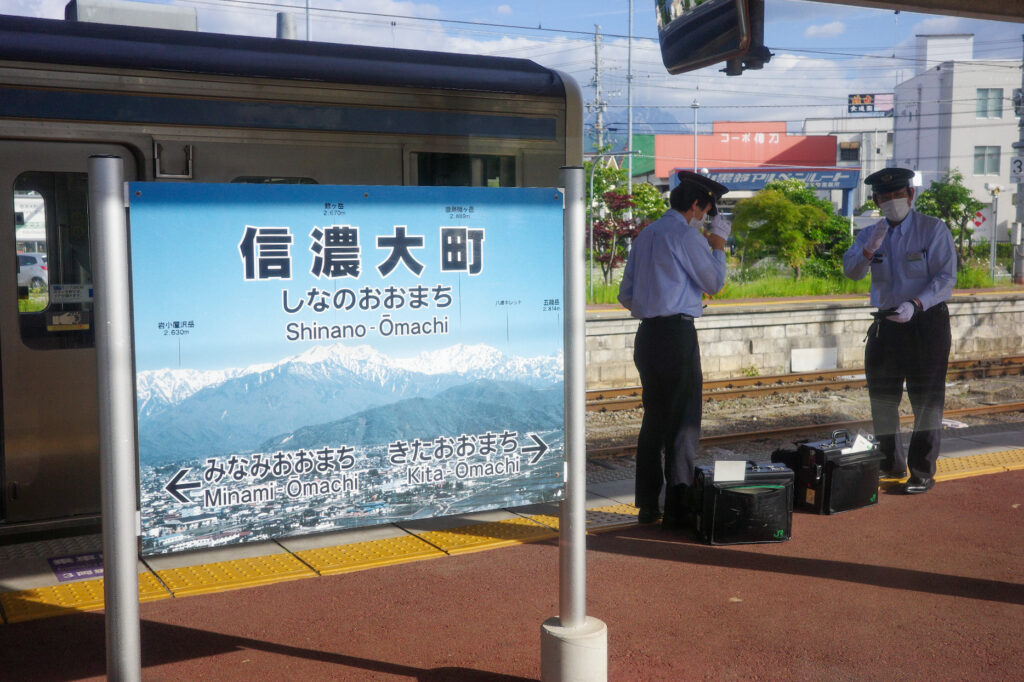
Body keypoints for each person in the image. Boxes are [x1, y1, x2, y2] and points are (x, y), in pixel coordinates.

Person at [618, 170, 730, 528]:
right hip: (677, 336)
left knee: (654, 420)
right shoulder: (687, 236)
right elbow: (714, 283)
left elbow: (625, 295)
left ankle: (649, 505)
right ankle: (679, 507)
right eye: (706, 208)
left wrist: (656, 301)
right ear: (696, 205)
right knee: (683, 423)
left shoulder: (646, 234)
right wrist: (718, 246)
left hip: (647, 336)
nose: (705, 216)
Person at [842, 167, 956, 494]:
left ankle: (922, 472)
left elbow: (945, 279)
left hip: (925, 321)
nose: (891, 202)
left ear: (910, 195)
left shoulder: (932, 230)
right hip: (887, 323)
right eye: (884, 197)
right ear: (876, 200)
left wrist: (916, 304)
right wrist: (868, 249)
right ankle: (889, 461)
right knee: (882, 397)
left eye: (897, 195)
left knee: (926, 400)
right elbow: (851, 272)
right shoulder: (870, 233)